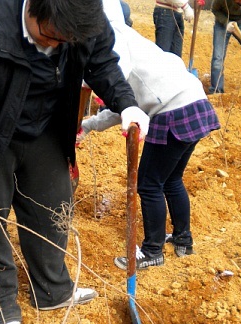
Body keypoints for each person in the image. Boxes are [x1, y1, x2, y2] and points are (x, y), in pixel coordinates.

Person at [0, 0, 150, 324]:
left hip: (45, 127)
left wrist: (126, 104)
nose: (55, 45)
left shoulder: (83, 18)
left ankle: (53, 291)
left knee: (53, 210)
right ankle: (1, 309)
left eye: (65, 41)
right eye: (50, 35)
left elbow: (101, 64)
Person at [79, 0, 220, 270]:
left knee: (149, 183)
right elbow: (126, 105)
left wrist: (88, 119)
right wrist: (89, 126)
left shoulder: (112, 43)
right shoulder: (131, 37)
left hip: (172, 109)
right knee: (171, 179)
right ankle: (183, 240)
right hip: (195, 101)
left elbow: (121, 101)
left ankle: (152, 250)